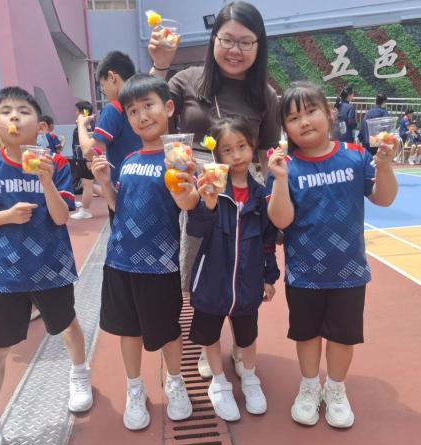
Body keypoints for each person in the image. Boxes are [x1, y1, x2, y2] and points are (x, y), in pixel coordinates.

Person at [149, 0, 280, 377]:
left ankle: (241, 345)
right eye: (227, 40)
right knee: (202, 271)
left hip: (240, 196)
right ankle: (210, 346)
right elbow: (148, 110)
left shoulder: (265, 95)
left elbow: (267, 154)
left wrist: (274, 200)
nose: (235, 50)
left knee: (240, 268)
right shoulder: (186, 80)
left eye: (246, 42)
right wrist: (160, 64)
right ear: (213, 40)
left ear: (258, 46)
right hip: (192, 191)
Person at [0, 86, 93, 445]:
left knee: (67, 325)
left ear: (41, 126)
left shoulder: (58, 164)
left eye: (23, 111)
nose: (15, 117)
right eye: (6, 111)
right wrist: (6, 216)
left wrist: (46, 181)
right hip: (7, 274)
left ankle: (79, 374)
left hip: (53, 266)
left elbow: (61, 216)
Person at [267, 81, 397, 428]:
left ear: (329, 113)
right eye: (293, 117)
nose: (304, 121)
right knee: (306, 335)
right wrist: (279, 180)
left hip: (349, 272)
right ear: (285, 127)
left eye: (311, 111)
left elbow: (384, 198)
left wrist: (384, 166)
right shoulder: (285, 166)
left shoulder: (355, 156)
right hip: (304, 274)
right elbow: (281, 220)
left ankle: (336, 389)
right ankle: (310, 386)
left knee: (342, 337)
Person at [91, 74, 198, 431]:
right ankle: (135, 388)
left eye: (148, 106)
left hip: (160, 264)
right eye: (133, 111)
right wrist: (105, 185)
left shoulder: (179, 159)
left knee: (168, 330)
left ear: (168, 108)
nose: (141, 116)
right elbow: (118, 206)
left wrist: (184, 184)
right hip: (120, 260)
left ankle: (176, 383)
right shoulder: (129, 159)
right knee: (128, 330)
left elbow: (188, 205)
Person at [187, 116, 280, 421]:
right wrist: (208, 204)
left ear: (252, 147)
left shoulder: (261, 195)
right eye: (227, 150)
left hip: (247, 282)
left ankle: (250, 377)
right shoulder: (210, 189)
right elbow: (195, 230)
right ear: (217, 155)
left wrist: (268, 277)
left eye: (242, 146)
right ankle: (219, 382)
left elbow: (268, 241)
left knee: (247, 335)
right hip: (212, 280)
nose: (237, 155)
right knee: (210, 334)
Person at [77, 51, 142, 224]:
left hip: (122, 189)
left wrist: (81, 125)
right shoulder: (143, 105)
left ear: (112, 77)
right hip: (146, 183)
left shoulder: (114, 108)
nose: (104, 91)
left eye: (102, 85)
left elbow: (89, 151)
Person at [70, 100, 101, 219]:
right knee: (89, 185)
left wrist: (88, 160)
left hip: (85, 159)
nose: (75, 113)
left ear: (83, 112)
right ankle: (115, 200)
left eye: (76, 110)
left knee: (87, 186)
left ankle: (85, 211)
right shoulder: (87, 123)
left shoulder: (87, 125)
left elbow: (88, 144)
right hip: (84, 158)